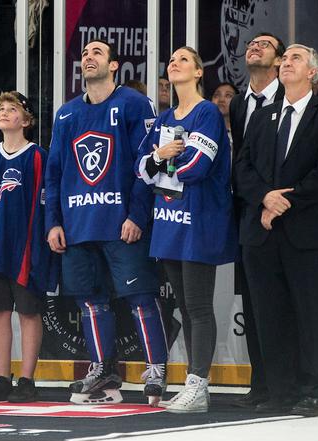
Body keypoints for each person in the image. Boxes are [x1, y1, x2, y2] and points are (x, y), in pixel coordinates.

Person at [45, 39, 167, 405]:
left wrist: (137, 214)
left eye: (97, 53)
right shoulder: (66, 113)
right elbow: (54, 174)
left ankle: (155, 368)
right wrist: (53, 222)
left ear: (114, 66)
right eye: (84, 53)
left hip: (120, 224)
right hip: (78, 223)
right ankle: (102, 368)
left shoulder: (133, 103)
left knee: (141, 297)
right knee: (89, 301)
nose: (88, 57)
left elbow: (148, 165)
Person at [235, 44, 318, 417]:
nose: (286, 63)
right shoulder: (263, 116)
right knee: (270, 314)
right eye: (285, 59)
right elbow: (243, 168)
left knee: (312, 314)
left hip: (309, 233)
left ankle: (315, 390)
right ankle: (279, 390)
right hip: (262, 232)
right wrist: (264, 198)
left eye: (295, 58)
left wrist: (285, 202)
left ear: (313, 73)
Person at [136, 47, 237, 413]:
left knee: (197, 305)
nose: (173, 64)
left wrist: (163, 159)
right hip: (168, 223)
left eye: (183, 60)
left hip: (200, 220)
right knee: (183, 305)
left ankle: (199, 384)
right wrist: (161, 156)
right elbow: (142, 170)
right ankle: (195, 383)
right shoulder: (163, 117)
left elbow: (197, 166)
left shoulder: (207, 112)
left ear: (197, 72)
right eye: (171, 60)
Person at [0, 91, 52, 403]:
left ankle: (26, 379)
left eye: (11, 109)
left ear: (26, 120)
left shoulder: (37, 156)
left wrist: (38, 248)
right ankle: (2, 377)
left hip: (24, 247)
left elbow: (42, 206)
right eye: (0, 108)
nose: (4, 113)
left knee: (29, 312)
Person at [227, 32, 286, 409]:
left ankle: (285, 383)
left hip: (283, 211)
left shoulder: (292, 97)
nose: (255, 47)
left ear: (280, 60)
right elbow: (240, 162)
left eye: (265, 44)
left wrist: (270, 199)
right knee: (253, 302)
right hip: (247, 212)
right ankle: (261, 382)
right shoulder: (237, 103)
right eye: (252, 44)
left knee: (283, 304)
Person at [211, 82, 237, 148]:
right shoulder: (203, 131)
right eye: (217, 95)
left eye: (228, 95)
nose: (221, 100)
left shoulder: (244, 133)